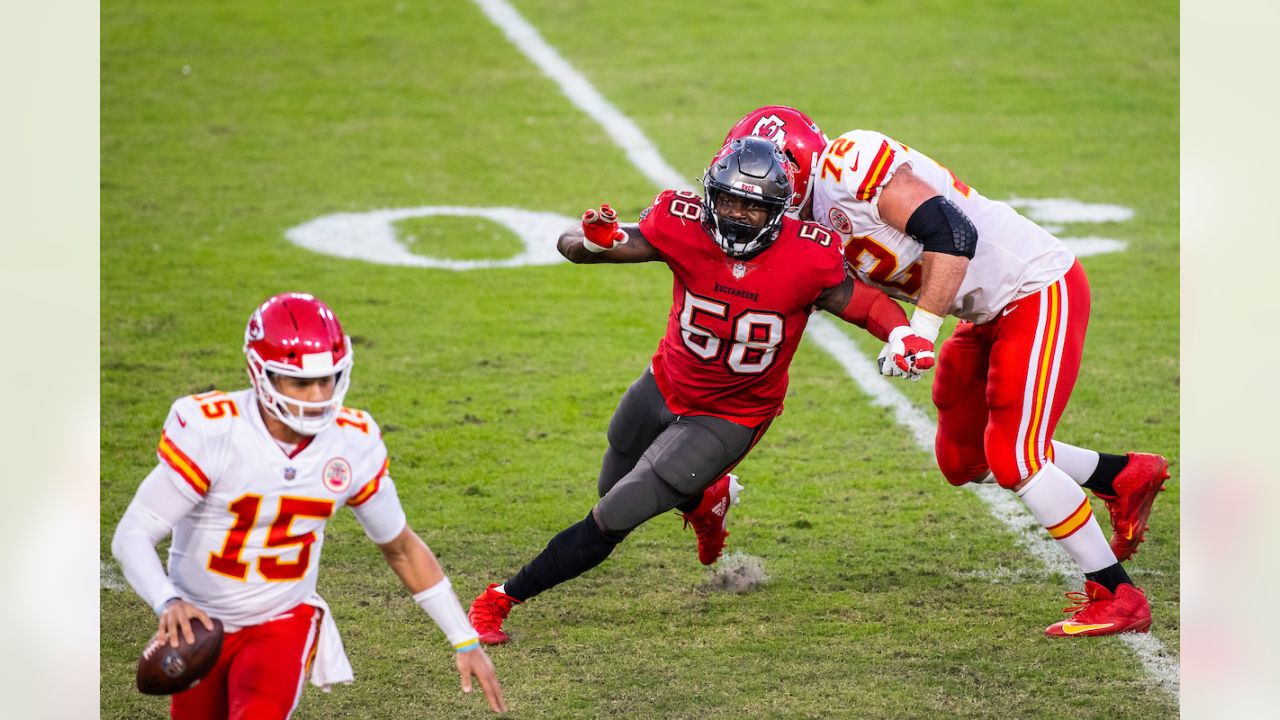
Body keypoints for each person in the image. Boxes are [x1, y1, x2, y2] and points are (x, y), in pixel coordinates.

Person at [467, 136, 936, 645]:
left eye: (752, 206)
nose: (736, 215)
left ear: (779, 210)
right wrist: (591, 242)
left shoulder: (808, 254)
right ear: (711, 195)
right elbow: (581, 246)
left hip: (731, 414)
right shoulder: (681, 223)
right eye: (729, 200)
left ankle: (498, 600)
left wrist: (903, 331)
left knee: (615, 513)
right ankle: (706, 499)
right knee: (614, 482)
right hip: (664, 382)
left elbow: (865, 304)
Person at [725, 106, 1170, 637]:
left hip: (1035, 289)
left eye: (761, 188)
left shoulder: (849, 161)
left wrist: (921, 330)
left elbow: (952, 233)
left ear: (795, 170)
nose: (748, 205)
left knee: (1014, 456)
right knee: (964, 460)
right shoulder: (798, 223)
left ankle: (1117, 594)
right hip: (983, 311)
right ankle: (1121, 475)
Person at [111, 292, 507, 717]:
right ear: (260, 374)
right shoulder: (213, 432)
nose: (318, 395)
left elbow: (402, 548)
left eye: (328, 379)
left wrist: (463, 638)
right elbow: (133, 534)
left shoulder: (352, 442)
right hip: (200, 626)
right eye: (300, 382)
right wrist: (167, 602)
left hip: (281, 621)